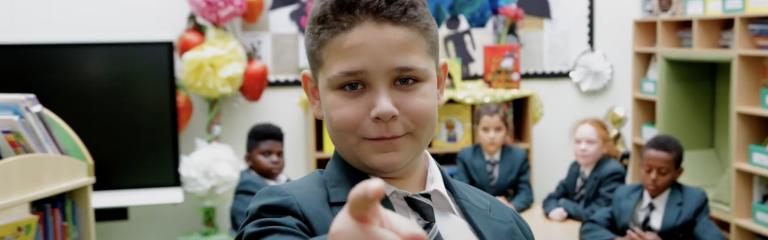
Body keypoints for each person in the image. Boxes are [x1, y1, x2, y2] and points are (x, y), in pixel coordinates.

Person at [235, 0, 534, 239]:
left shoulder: (506, 223)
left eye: (405, 80)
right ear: (315, 96)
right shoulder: (281, 214)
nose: (384, 108)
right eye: (352, 86)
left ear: (440, 84)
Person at [580, 135, 724, 240]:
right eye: (647, 170)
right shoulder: (625, 194)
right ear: (640, 166)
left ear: (678, 173)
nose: (653, 177)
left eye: (663, 172)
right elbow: (590, 227)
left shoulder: (692, 200)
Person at [543, 118, 626, 222]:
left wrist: (563, 203)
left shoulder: (613, 172)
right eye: (578, 142)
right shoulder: (575, 167)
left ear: (604, 146)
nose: (582, 147)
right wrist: (552, 210)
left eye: (590, 142)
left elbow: (594, 214)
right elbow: (551, 198)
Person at [454, 103, 533, 212]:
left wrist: (512, 207)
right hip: (477, 213)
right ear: (477, 130)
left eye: (498, 129)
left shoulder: (519, 157)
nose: (492, 136)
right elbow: (460, 193)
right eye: (485, 129)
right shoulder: (465, 156)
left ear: (506, 130)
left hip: (508, 214)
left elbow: (526, 194)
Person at [230, 123, 288, 232]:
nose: (275, 159)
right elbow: (250, 232)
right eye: (266, 154)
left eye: (279, 154)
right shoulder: (246, 191)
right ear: (248, 159)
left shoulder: (289, 183)